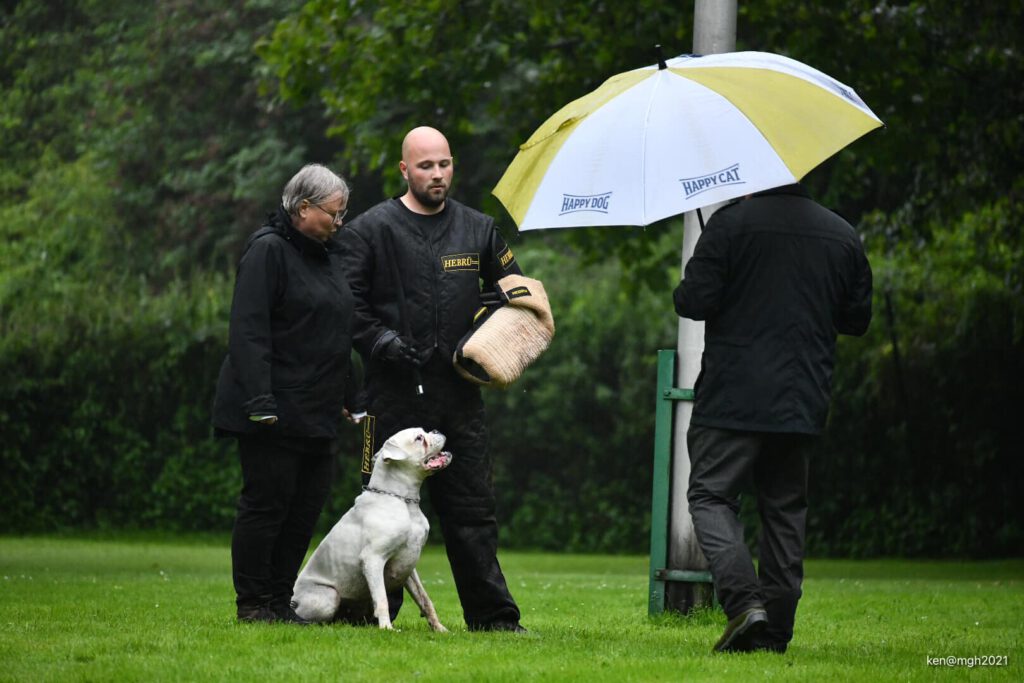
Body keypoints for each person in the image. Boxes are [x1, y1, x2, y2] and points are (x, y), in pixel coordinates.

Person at [338, 126, 525, 632]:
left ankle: (495, 619)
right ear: (405, 170)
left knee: (473, 513)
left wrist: (494, 322)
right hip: (391, 397)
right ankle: (372, 616)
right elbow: (346, 305)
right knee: (380, 516)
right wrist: (380, 342)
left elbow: (518, 294)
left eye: (444, 164)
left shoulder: (479, 229)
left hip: (460, 397)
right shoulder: (370, 230)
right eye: (426, 166)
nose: (437, 174)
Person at [673, 183, 872, 653]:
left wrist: (711, 260)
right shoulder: (841, 234)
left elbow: (693, 302)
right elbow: (856, 319)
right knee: (785, 513)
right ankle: (776, 630)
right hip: (801, 398)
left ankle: (745, 605)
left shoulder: (729, 226)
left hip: (731, 399)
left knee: (709, 496)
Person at [213, 163, 361, 624]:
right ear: (302, 208)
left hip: (316, 410)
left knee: (303, 511)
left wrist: (349, 393)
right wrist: (260, 403)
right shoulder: (268, 251)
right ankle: (253, 604)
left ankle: (280, 600)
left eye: (343, 214)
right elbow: (249, 332)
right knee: (266, 506)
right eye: (334, 214)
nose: (340, 223)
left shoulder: (325, 256)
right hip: (272, 410)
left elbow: (337, 331)